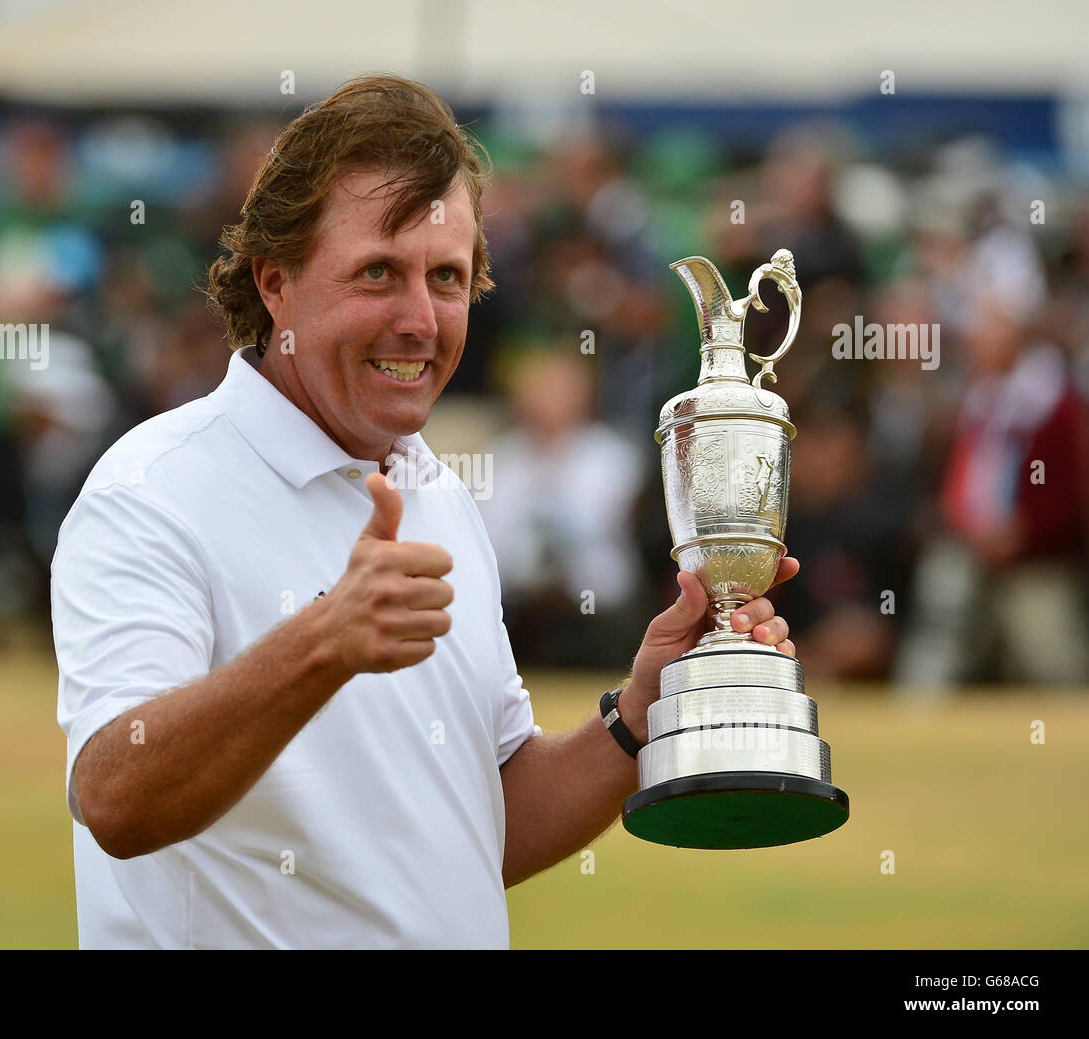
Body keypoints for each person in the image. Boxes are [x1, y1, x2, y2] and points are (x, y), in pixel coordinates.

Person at [52, 73, 798, 949]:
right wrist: (325, 642)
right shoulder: (151, 490)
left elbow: (484, 821)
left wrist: (636, 714)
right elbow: (115, 794)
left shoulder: (437, 491)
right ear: (275, 281)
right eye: (379, 272)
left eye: (447, 278)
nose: (420, 319)